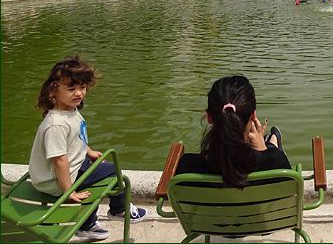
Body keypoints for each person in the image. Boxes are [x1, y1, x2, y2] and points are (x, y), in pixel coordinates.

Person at [28, 56, 148, 241]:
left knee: (98, 166)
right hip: (54, 180)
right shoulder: (57, 124)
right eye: (71, 88)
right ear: (53, 90)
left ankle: (99, 218)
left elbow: (75, 139)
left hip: (63, 168)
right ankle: (111, 213)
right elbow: (59, 160)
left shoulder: (69, 111)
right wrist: (69, 191)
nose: (79, 93)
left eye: (82, 87)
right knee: (110, 170)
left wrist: (88, 151)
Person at [175, 76, 290, 186]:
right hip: (262, 206)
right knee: (273, 146)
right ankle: (272, 140)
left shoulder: (187, 169)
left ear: (209, 117)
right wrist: (263, 152)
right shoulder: (277, 164)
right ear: (253, 115)